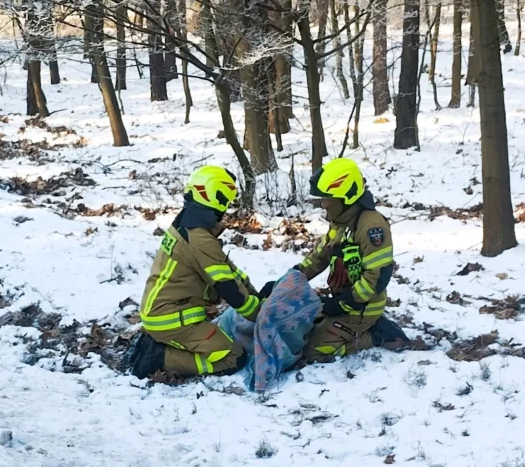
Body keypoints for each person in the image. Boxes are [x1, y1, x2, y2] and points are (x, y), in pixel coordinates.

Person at [125, 166, 261, 379]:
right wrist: (261, 316)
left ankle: (157, 345)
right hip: (171, 318)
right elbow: (228, 288)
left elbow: (225, 268)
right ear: (218, 199)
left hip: (161, 311)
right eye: (227, 201)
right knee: (233, 357)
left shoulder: (186, 224)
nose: (227, 208)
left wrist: (256, 294)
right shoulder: (200, 239)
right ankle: (158, 357)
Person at [280, 157, 408, 361]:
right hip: (344, 300)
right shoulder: (341, 222)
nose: (323, 204)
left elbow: (375, 281)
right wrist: (290, 279)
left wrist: (341, 304)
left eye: (327, 199)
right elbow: (319, 256)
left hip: (363, 306)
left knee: (313, 351)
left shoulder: (371, 227)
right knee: (301, 330)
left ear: (346, 197)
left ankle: (374, 336)